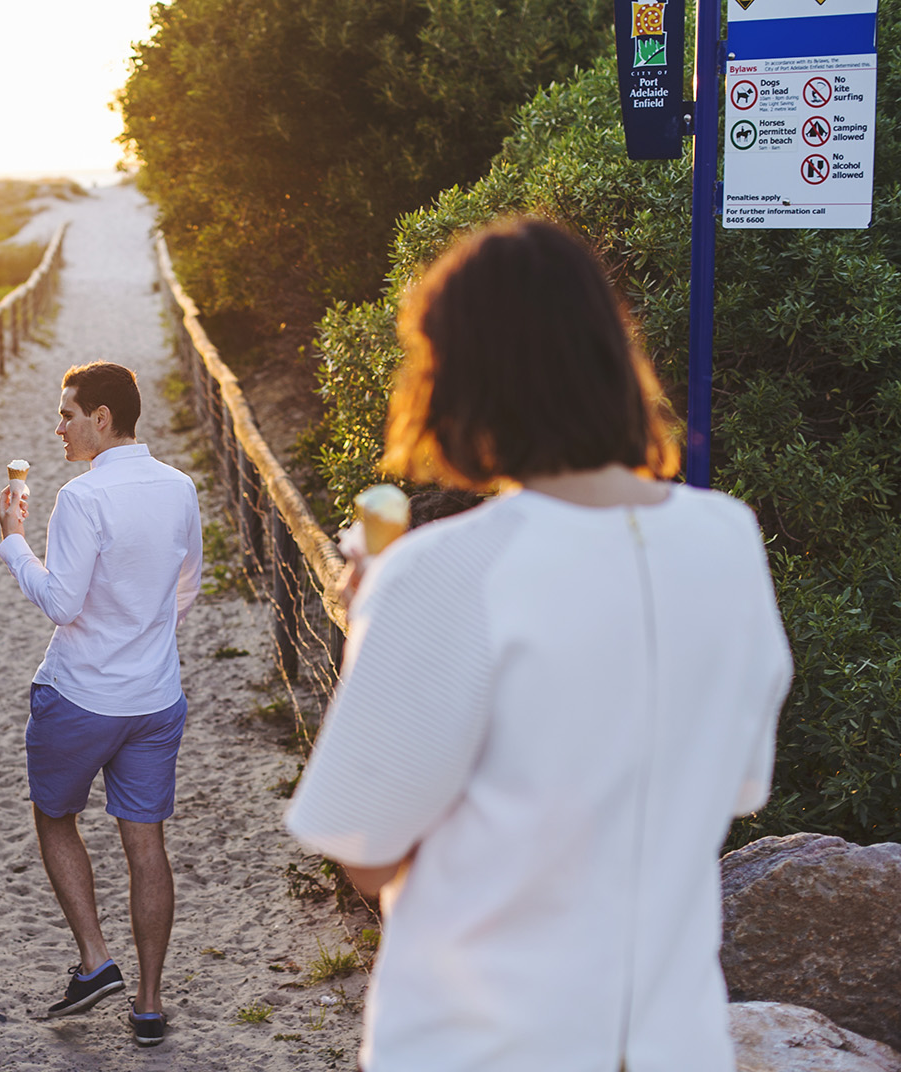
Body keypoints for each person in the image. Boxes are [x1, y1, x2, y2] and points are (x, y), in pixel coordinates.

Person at [285, 218, 792, 1072]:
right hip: (671, 1041)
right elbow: (739, 784)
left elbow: (365, 850)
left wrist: (374, 620)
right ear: (609, 356)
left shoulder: (447, 571)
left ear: (459, 378)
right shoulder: (729, 540)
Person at [0, 360, 202, 1048]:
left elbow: (61, 602)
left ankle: (94, 960)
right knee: (146, 843)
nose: (59, 427)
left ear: (102, 418)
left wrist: (14, 543)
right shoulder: (179, 488)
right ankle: (147, 1003)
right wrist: (140, 631)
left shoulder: (82, 499)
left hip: (82, 695)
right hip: (155, 696)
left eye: (67, 414)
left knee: (55, 817)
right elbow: (185, 590)